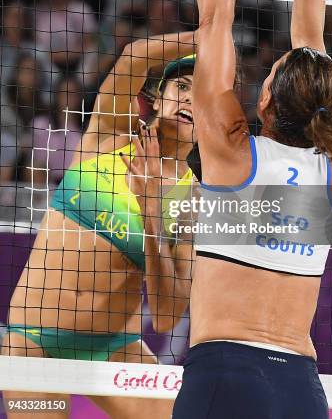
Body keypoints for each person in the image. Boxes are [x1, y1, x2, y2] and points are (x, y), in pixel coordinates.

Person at [168, 0, 332, 418]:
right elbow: (312, 48)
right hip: (302, 389)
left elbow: (214, 18)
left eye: (273, 70)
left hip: (227, 375)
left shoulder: (232, 153)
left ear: (266, 99)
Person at [2, 33, 196, 419]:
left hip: (115, 347)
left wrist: (152, 210)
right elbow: (133, 56)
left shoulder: (193, 202)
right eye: (182, 86)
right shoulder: (107, 137)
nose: (191, 98)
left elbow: (166, 315)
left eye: (205, 97)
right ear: (157, 97)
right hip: (32, 343)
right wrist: (206, 36)